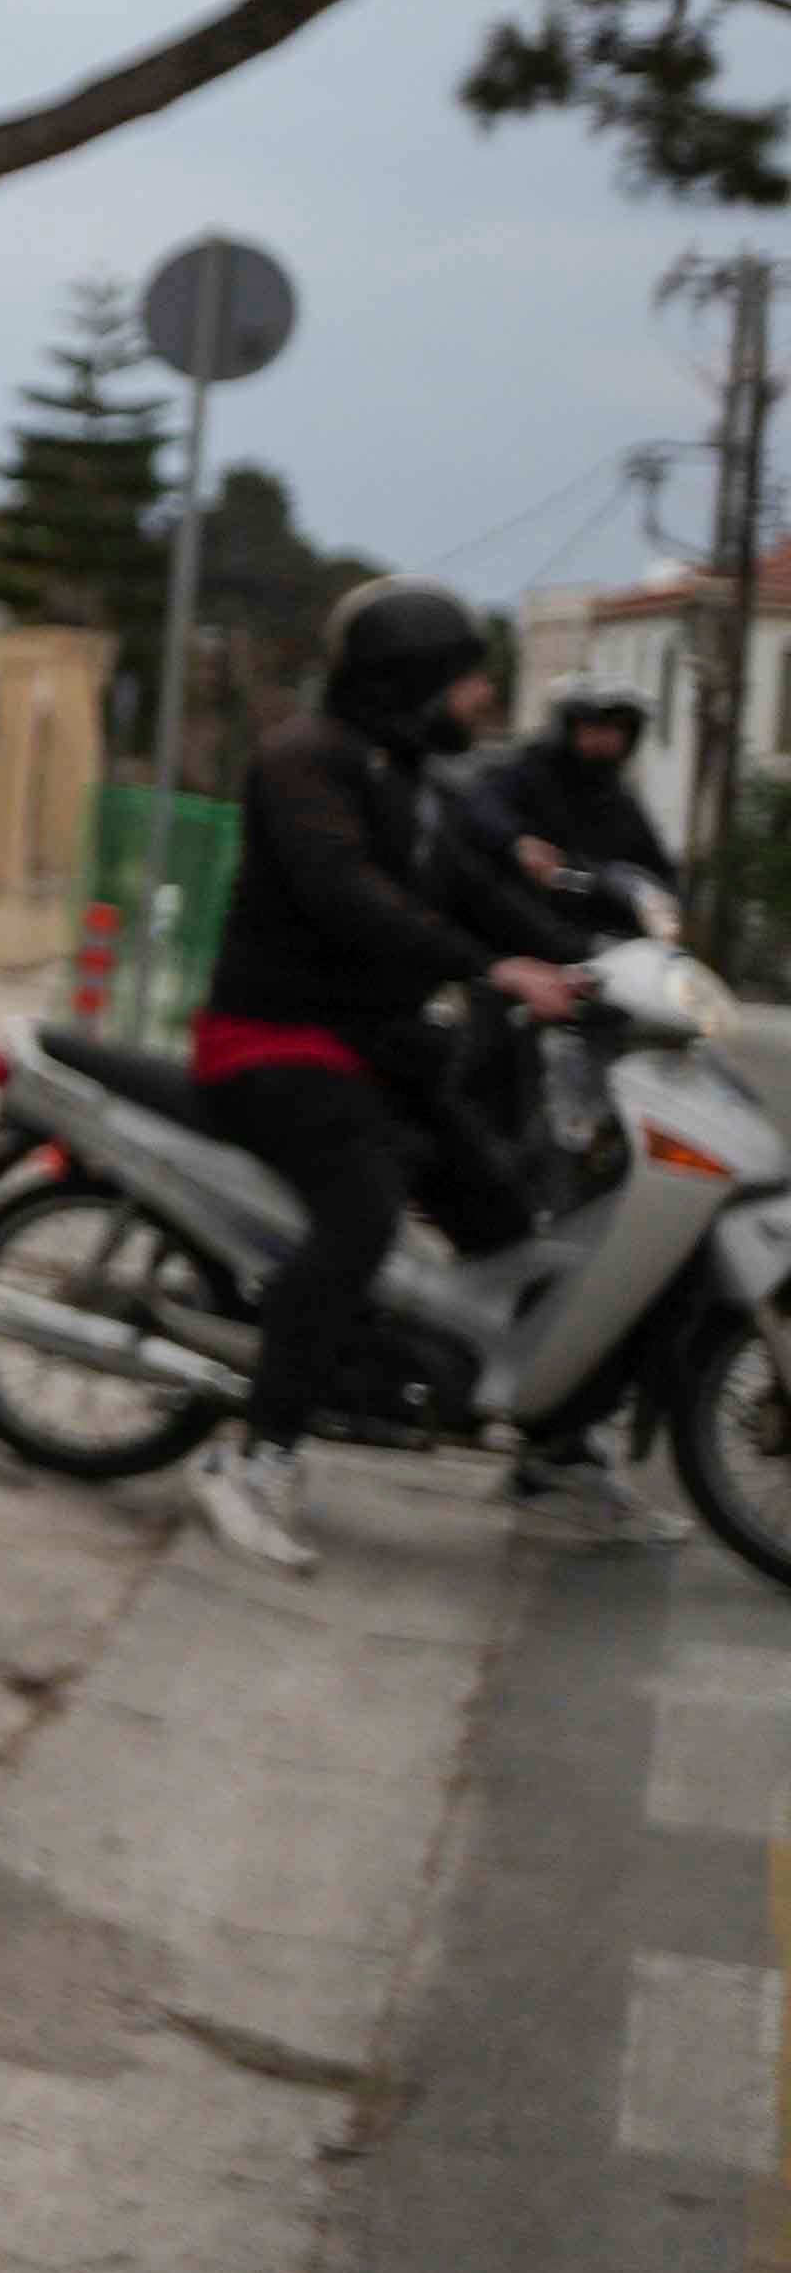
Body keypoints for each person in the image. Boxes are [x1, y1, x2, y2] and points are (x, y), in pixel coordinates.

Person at [184, 582, 624, 1571]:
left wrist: (593, 966)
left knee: (509, 1224)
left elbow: (481, 894)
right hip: (273, 1042)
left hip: (376, 1048)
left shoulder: (413, 779)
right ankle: (256, 1460)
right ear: (409, 678)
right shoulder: (306, 762)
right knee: (361, 1216)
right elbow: (347, 894)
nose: (480, 697)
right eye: (466, 678)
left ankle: (550, 1453)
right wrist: (486, 969)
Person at [445, 688, 679, 938]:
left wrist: (656, 898)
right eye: (592, 728)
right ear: (569, 729)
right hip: (513, 925)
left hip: (588, 936)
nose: (604, 739)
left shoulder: (619, 801)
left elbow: (655, 872)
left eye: (616, 730)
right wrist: (516, 841)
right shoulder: (526, 773)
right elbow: (481, 805)